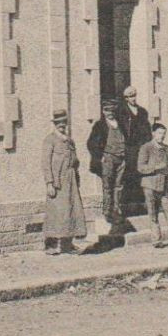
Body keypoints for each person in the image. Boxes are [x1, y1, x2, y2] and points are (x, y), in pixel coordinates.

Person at [136, 122, 168, 248]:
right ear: (153, 133)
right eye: (159, 133)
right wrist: (157, 168)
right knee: (153, 214)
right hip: (150, 185)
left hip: (165, 185)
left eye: (164, 134)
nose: (162, 136)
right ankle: (156, 240)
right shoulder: (146, 148)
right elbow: (141, 168)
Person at [41, 111, 86, 255]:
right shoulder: (50, 140)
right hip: (57, 182)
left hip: (71, 181)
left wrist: (77, 179)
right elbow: (46, 163)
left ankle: (67, 245)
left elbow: (75, 161)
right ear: (54, 124)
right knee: (55, 213)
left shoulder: (69, 141)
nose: (62, 125)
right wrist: (49, 183)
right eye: (58, 122)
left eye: (64, 122)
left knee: (71, 211)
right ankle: (50, 245)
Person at [86, 100, 130, 230]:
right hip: (108, 159)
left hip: (121, 158)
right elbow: (91, 143)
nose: (110, 113)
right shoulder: (99, 125)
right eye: (107, 110)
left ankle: (117, 210)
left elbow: (126, 139)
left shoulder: (120, 123)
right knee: (107, 186)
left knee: (119, 186)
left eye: (112, 110)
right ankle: (107, 212)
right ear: (103, 111)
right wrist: (101, 156)